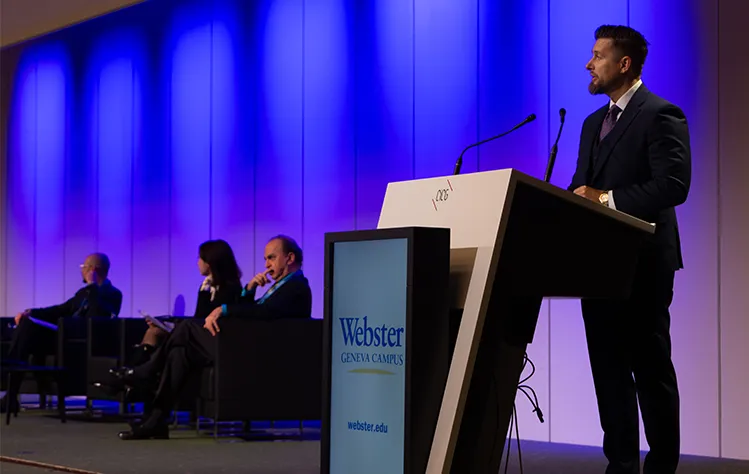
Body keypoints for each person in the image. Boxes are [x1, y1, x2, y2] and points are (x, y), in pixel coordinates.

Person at [569, 25, 691, 474]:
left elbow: (673, 185)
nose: (589, 63)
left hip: (644, 262)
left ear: (624, 64)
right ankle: (619, 463)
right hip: (597, 265)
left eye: (598, 55)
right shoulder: (589, 123)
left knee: (650, 369)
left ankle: (661, 467)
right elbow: (581, 186)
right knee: (607, 370)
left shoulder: (661, 114)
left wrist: (604, 199)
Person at [114, 235, 312, 440]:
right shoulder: (279, 286)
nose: (266, 264)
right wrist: (250, 289)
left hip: (258, 352)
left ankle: (147, 372)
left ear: (289, 258)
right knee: (179, 352)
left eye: (271, 258)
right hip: (246, 344)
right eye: (265, 259)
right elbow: (252, 309)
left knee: (189, 328)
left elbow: (265, 313)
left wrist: (223, 309)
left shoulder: (296, 286)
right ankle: (156, 420)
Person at [1, 253, 123, 413]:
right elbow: (61, 309)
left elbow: (96, 316)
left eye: (84, 267)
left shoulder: (113, 294)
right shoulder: (83, 293)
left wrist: (93, 286)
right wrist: (30, 312)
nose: (82, 271)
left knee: (26, 332)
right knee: (26, 325)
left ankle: (10, 387)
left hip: (78, 343)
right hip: (61, 337)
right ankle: (11, 392)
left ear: (93, 269)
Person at [130, 239, 244, 366]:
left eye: (199, 258)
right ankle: (133, 373)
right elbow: (198, 316)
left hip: (210, 338)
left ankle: (140, 372)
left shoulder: (230, 288)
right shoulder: (207, 286)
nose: (197, 262)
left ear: (210, 262)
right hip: (197, 331)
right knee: (153, 331)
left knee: (174, 345)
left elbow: (205, 319)